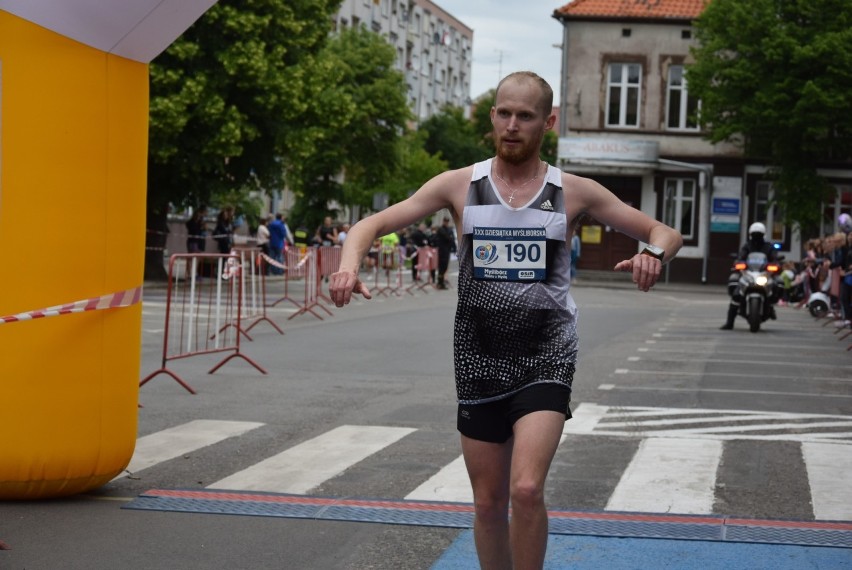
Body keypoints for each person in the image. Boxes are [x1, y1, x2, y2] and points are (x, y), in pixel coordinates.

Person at [329, 71, 682, 569]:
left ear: (548, 122)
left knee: (525, 487)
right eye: (504, 113)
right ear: (492, 116)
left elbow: (664, 231)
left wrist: (652, 254)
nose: (512, 125)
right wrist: (348, 268)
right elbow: (371, 224)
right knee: (489, 503)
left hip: (546, 353)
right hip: (478, 356)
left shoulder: (573, 191)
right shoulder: (460, 186)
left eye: (526, 116)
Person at [720, 222, 779, 330]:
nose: (757, 237)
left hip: (763, 273)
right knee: (736, 292)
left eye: (759, 234)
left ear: (763, 235)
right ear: (751, 234)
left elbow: (774, 258)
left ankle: (771, 306)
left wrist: (775, 264)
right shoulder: (747, 246)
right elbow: (741, 256)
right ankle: (729, 322)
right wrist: (738, 262)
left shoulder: (768, 247)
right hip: (749, 273)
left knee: (776, 284)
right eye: (755, 234)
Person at [435, 217, 457, 289]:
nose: (446, 223)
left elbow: (452, 239)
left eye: (447, 221)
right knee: (442, 267)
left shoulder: (449, 229)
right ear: (443, 221)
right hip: (442, 250)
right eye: (445, 221)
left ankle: (441, 282)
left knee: (445, 267)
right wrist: (450, 237)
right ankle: (440, 283)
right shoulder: (441, 229)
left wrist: (454, 248)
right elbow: (447, 237)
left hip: (447, 250)